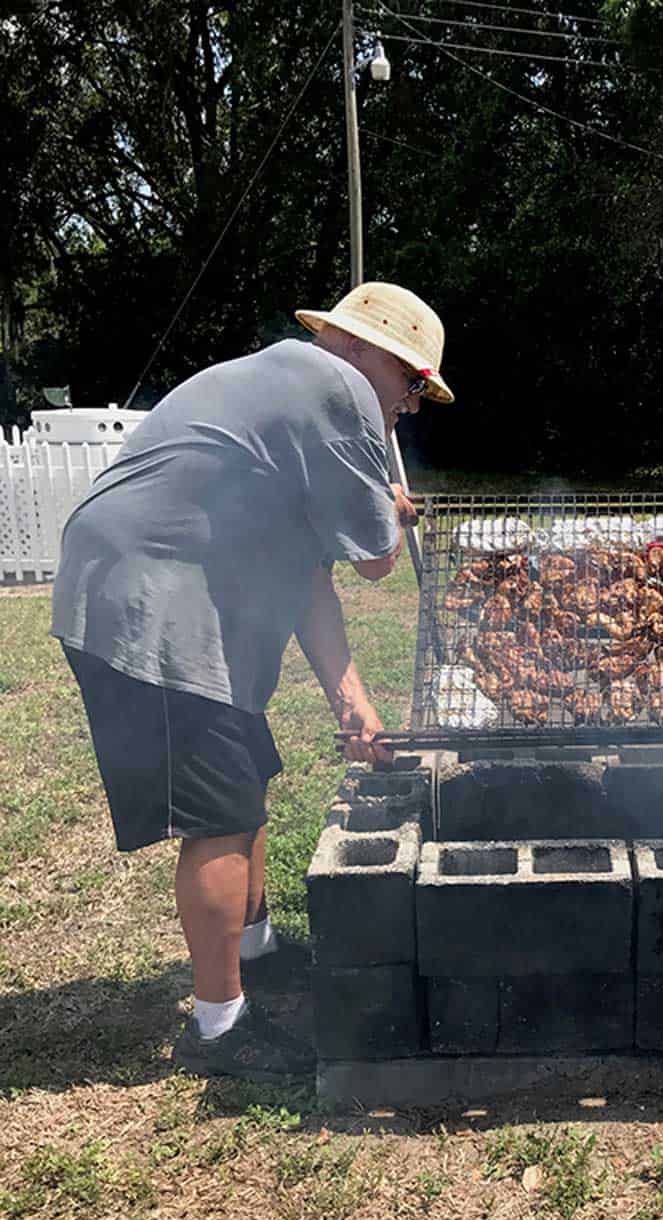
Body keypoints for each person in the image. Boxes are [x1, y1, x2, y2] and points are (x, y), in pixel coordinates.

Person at [51, 282, 454, 1078]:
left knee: (248, 776)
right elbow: (375, 563)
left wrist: (354, 703)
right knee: (222, 815)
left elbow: (315, 579)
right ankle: (222, 1027)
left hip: (155, 588)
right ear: (365, 351)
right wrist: (389, 511)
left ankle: (258, 948)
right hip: (148, 600)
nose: (409, 405)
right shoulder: (334, 390)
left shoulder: (288, 390)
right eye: (411, 384)